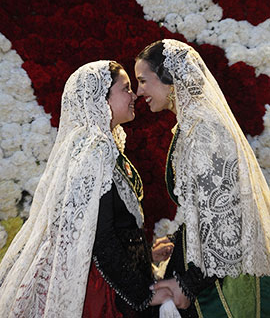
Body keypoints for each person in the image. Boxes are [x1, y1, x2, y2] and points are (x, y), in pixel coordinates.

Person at [0, 60, 173, 318]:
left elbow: (106, 226)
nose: (134, 94)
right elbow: (100, 239)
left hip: (116, 279)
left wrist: (147, 253)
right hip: (104, 293)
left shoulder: (103, 149)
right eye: (125, 88)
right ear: (100, 100)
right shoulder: (94, 152)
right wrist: (143, 294)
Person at [135, 39, 270, 318]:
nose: (139, 91)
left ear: (169, 80)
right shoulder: (192, 126)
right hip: (213, 266)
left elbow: (227, 216)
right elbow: (210, 208)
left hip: (227, 282)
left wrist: (189, 283)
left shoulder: (205, 132)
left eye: (143, 81)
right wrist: (178, 239)